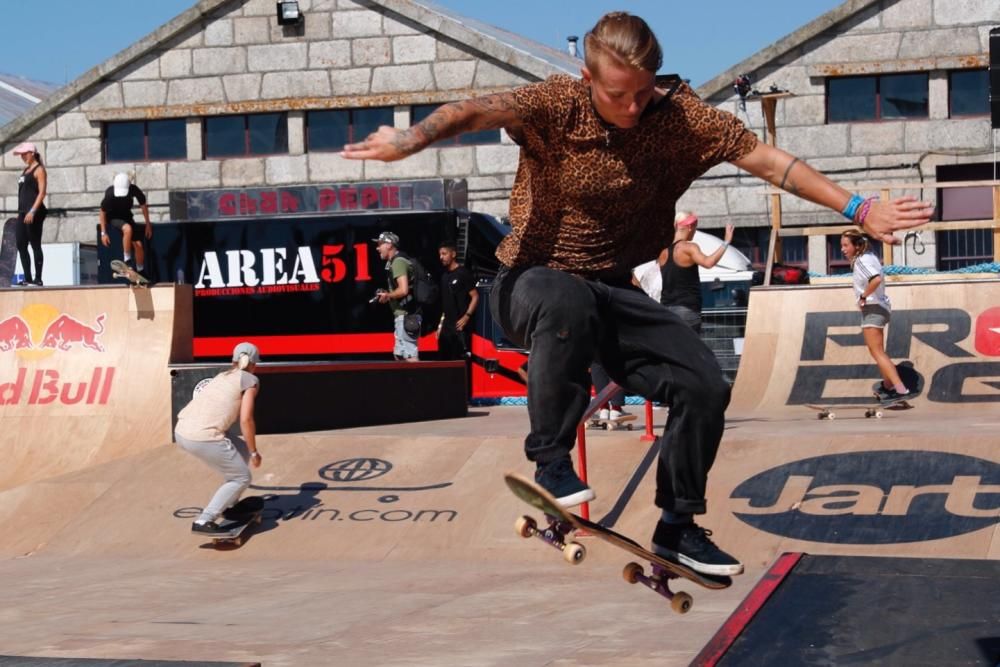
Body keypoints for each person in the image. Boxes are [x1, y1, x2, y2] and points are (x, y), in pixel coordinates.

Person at [342, 12, 932, 576]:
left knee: (704, 382)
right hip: (533, 280)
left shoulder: (683, 119)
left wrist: (857, 206)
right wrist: (413, 138)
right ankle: (550, 462)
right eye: (617, 94)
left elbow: (770, 163)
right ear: (587, 78)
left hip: (613, 290)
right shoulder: (556, 104)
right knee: (566, 299)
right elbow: (474, 109)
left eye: (642, 93)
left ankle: (677, 525)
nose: (631, 108)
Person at [174, 342, 262, 533]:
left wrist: (249, 450)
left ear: (233, 361)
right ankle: (204, 520)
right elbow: (246, 419)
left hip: (181, 430)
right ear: (255, 364)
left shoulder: (222, 376)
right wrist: (255, 452)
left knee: (242, 450)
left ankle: (229, 506)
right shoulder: (250, 380)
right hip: (203, 436)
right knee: (241, 477)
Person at [840, 230, 916, 404]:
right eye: (841, 246)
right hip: (881, 307)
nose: (843, 250)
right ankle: (889, 385)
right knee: (879, 351)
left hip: (873, 308)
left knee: (877, 352)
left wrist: (863, 296)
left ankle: (900, 390)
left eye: (846, 245)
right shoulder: (870, 256)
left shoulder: (860, 261)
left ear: (857, 245)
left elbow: (875, 280)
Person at [659, 211, 734, 333]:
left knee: (673, 350)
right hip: (686, 309)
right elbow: (708, 263)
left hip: (666, 310)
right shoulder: (689, 248)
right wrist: (726, 242)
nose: (694, 231)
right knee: (690, 350)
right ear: (689, 227)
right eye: (695, 227)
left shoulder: (663, 253)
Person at [373, 231, 420, 362]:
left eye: (380, 244)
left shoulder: (398, 262)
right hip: (402, 316)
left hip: (407, 316)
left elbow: (403, 290)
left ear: (389, 245)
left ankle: (419, 381)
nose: (377, 248)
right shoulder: (394, 262)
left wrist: (388, 295)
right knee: (399, 355)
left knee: (410, 356)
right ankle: (408, 381)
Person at [100, 172, 152, 275]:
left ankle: (140, 270)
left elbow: (143, 206)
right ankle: (127, 260)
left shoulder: (133, 189)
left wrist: (148, 224)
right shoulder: (110, 193)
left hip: (127, 216)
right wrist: (103, 233)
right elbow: (102, 213)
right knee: (127, 229)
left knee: (139, 245)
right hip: (113, 217)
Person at [436, 241, 478, 361]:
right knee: (444, 360)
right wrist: (440, 325)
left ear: (453, 254)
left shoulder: (463, 273)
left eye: (444, 254)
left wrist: (467, 316)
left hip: (460, 327)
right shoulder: (444, 276)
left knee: (460, 361)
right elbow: (445, 304)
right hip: (446, 327)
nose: (441, 257)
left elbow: (475, 296)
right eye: (440, 254)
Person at [12, 142, 47, 286]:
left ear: (32, 153)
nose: (23, 157)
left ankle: (38, 278)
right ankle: (27, 278)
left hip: (35, 212)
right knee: (20, 244)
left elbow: (42, 192)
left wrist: (32, 210)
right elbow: (23, 194)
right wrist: (20, 212)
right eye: (21, 154)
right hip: (22, 212)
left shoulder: (39, 170)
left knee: (35, 245)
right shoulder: (25, 170)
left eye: (25, 154)